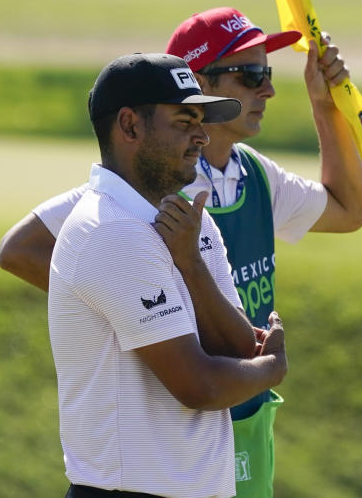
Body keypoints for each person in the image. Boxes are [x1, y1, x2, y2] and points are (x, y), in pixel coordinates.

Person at [0, 8, 362, 497]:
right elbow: (19, 250)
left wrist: (326, 108)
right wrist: (133, 309)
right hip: (165, 442)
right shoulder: (116, 214)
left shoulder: (233, 191)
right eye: (250, 74)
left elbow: (350, 210)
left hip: (240, 415)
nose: (267, 90)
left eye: (269, 74)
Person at [48, 52, 287, 498]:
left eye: (201, 120)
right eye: (183, 120)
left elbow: (235, 346)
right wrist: (270, 369)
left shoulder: (192, 219)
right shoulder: (110, 231)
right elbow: (199, 385)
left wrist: (191, 266)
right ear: (130, 126)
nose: (201, 135)